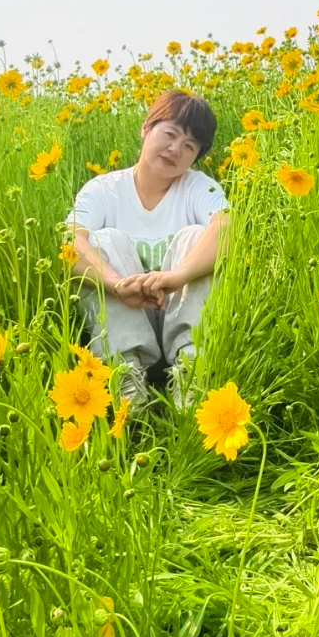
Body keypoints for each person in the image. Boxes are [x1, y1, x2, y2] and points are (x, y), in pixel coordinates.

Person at [65, 90, 229, 409]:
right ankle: (126, 383)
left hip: (180, 321)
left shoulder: (199, 187)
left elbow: (226, 229)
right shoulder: (103, 190)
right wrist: (117, 284)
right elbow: (71, 243)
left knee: (199, 236)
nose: (175, 150)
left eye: (189, 146)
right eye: (170, 134)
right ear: (146, 128)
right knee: (103, 240)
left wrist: (178, 276)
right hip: (122, 323)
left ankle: (192, 377)